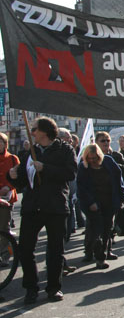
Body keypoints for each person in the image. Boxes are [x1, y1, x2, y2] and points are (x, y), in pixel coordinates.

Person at [9, 116, 77, 304]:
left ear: (45, 132)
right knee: (25, 249)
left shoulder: (64, 149)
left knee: (55, 250)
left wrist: (45, 168)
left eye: (35, 129)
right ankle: (31, 288)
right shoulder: (30, 152)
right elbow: (23, 181)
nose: (32, 133)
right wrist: (12, 176)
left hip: (55, 206)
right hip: (32, 206)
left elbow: (70, 173)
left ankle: (54, 288)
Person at [77, 144, 124, 270]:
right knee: (95, 231)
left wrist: (122, 198)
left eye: (94, 158)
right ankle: (98, 256)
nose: (92, 161)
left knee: (106, 231)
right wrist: (90, 202)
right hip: (92, 205)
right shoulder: (83, 167)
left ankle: (103, 255)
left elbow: (118, 180)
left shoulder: (108, 162)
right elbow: (81, 188)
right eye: (89, 158)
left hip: (109, 202)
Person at [0, 132, 19, 268]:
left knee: (4, 228)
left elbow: (18, 177)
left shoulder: (12, 159)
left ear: (4, 144)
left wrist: (8, 186)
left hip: (7, 199)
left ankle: (4, 255)